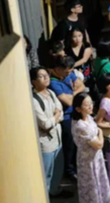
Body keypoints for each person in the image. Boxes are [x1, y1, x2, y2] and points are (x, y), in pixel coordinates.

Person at [31, 67, 72, 198]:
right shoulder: (34, 100)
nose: (46, 77)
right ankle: (45, 196)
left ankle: (54, 191)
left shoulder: (51, 93)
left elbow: (59, 109)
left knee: (57, 169)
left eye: (46, 75)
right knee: (46, 171)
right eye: (41, 76)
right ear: (33, 81)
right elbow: (45, 124)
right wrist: (56, 117)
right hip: (46, 142)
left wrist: (55, 117)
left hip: (57, 138)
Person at [71, 94, 110, 203]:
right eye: (87, 105)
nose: (90, 106)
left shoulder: (88, 117)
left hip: (95, 157)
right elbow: (99, 145)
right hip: (87, 160)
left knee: (99, 182)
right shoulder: (80, 125)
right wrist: (101, 133)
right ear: (78, 109)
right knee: (91, 186)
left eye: (91, 103)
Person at [50, 55, 86, 180]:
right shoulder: (53, 82)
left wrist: (73, 93)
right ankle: (69, 170)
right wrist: (75, 93)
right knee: (69, 145)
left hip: (75, 114)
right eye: (67, 72)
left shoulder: (68, 74)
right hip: (66, 118)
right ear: (58, 69)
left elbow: (82, 85)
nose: (69, 74)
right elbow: (68, 102)